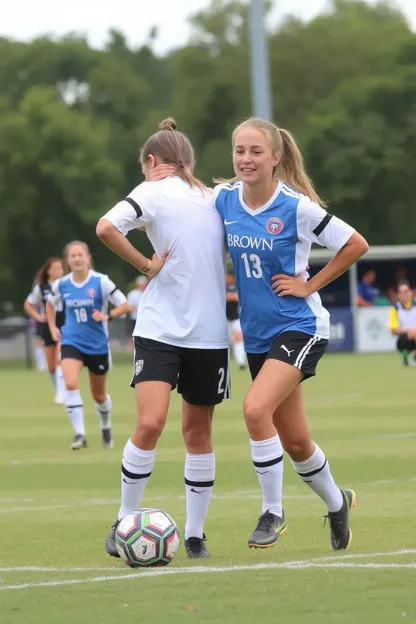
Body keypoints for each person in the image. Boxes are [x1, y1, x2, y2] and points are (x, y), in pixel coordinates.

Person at [150, 117, 368, 552]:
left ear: (275, 157)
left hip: (300, 326)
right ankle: (336, 501)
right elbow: (187, 203)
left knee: (254, 410)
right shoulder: (224, 199)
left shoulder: (296, 207)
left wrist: (309, 284)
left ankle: (273, 511)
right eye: (239, 151)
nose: (245, 159)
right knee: (296, 440)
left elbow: (355, 244)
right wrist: (163, 178)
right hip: (257, 336)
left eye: (254, 151)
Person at [96, 117, 230, 560]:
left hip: (208, 333)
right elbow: (107, 226)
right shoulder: (153, 192)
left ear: (152, 161)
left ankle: (194, 534)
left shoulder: (215, 199)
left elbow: (105, 227)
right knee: (151, 422)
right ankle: (123, 521)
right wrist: (146, 266)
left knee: (197, 432)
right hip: (158, 329)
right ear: (185, 160)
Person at [46, 241, 129, 450]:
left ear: (87, 257)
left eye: (80, 255)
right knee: (71, 383)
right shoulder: (61, 284)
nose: (76, 259)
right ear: (68, 260)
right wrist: (53, 326)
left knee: (99, 395)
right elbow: (49, 304)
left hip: (97, 345)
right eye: (72, 256)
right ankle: (80, 434)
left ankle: (106, 426)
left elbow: (126, 304)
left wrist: (107, 315)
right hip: (71, 341)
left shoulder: (101, 282)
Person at [24, 257, 66, 403]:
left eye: (60, 268)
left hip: (65, 324)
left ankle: (61, 393)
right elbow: (28, 304)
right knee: (51, 366)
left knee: (60, 358)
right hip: (47, 326)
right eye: (54, 268)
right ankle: (59, 389)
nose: (57, 271)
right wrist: (38, 316)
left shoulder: (67, 284)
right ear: (48, 271)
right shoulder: (41, 287)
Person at [388, 280, 416, 366]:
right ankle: (410, 356)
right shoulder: (395, 309)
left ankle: (408, 356)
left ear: (411, 292)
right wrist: (409, 331)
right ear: (398, 295)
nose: (404, 294)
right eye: (401, 292)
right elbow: (393, 330)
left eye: (406, 291)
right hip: (403, 340)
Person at [226, 271, 247, 370]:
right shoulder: (222, 286)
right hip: (224, 319)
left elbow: (238, 297)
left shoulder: (238, 286)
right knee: (226, 342)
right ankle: (226, 363)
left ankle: (241, 362)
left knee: (238, 338)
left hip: (236, 318)